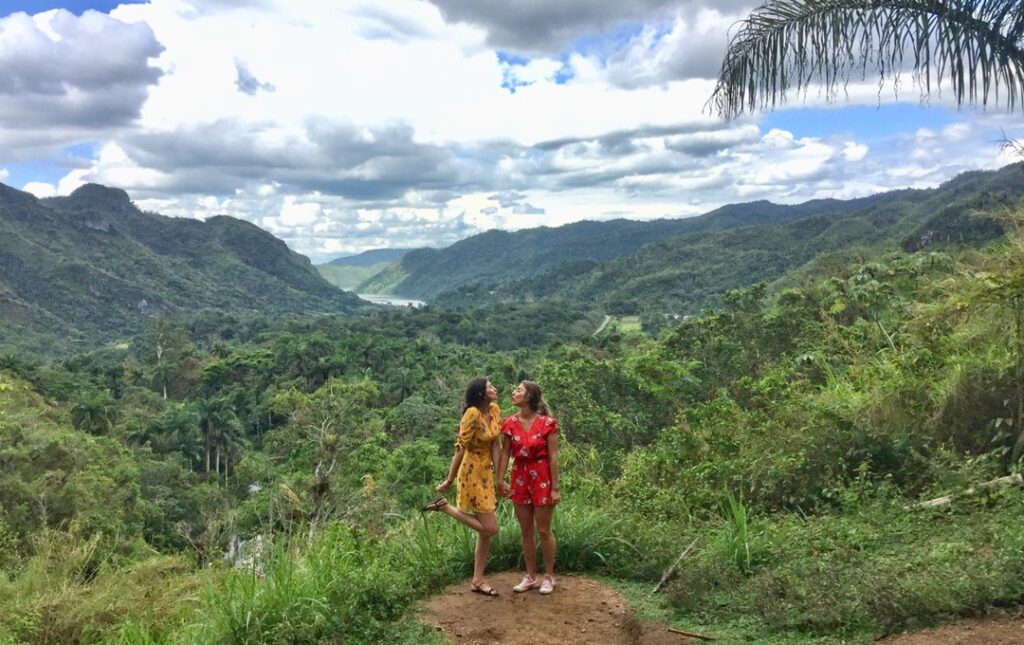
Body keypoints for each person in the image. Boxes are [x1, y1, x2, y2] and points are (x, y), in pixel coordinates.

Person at [424, 377, 502, 596]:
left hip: (486, 472)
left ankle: (477, 579)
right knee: (490, 528)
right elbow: (460, 449)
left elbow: (496, 443)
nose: (494, 389)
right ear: (481, 394)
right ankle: (446, 508)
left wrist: (500, 477)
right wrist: (449, 480)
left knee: (485, 532)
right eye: (490, 387)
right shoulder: (472, 415)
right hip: (471, 472)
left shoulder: (494, 410)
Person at [496, 380, 560, 595]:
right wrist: (500, 479)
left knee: (543, 529)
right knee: (525, 530)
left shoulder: (547, 423)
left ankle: (549, 576)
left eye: (519, 390)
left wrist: (555, 487)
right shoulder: (509, 423)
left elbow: (553, 457)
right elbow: (505, 453)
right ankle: (530, 576)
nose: (514, 393)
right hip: (520, 476)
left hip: (542, 476)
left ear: (530, 396)